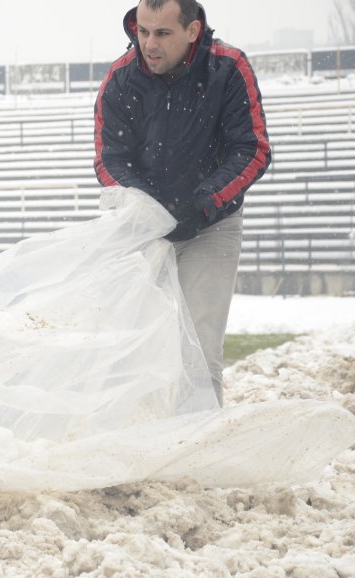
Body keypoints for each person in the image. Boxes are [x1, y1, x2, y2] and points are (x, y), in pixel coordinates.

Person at [94, 0, 271, 404]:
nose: (148, 44)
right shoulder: (121, 78)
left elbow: (252, 148)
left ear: (193, 31)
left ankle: (200, 450)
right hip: (145, 225)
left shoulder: (227, 68)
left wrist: (204, 202)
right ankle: (140, 445)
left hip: (212, 224)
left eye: (162, 33)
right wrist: (148, 207)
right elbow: (109, 158)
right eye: (142, 31)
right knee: (134, 345)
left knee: (199, 345)